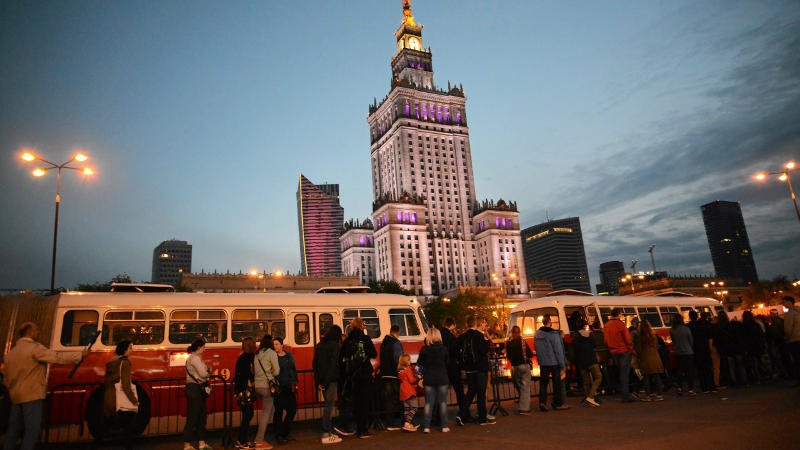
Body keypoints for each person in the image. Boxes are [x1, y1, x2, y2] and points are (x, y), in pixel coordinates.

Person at [3, 322, 85, 450]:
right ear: (29, 332)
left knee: (13, 430)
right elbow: (56, 357)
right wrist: (79, 355)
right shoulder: (34, 348)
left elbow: (6, 379)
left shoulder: (10, 354)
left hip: (15, 397)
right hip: (32, 395)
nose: (38, 332)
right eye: (36, 330)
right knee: (32, 430)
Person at [339, 318, 378, 439]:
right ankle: (363, 429)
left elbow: (342, 357)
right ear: (361, 326)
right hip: (365, 374)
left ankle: (356, 428)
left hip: (353, 376)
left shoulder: (348, 340)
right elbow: (373, 354)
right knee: (364, 403)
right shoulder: (365, 339)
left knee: (356, 402)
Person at [455, 316, 495, 426]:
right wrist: (487, 339)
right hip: (480, 368)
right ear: (476, 324)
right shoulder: (479, 336)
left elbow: (456, 350)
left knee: (470, 392)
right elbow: (484, 350)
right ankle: (482, 418)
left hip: (469, 369)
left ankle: (461, 414)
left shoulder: (462, 336)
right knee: (481, 393)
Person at [103, 340, 139, 441]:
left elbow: (107, 382)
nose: (132, 350)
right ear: (125, 350)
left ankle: (96, 443)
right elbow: (126, 385)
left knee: (108, 424)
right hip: (121, 400)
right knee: (128, 428)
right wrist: (134, 401)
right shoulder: (125, 362)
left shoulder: (111, 362)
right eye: (130, 348)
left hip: (109, 398)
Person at [313, 325, 343, 445]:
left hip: (322, 380)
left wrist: (319, 382)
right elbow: (333, 365)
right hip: (330, 380)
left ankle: (328, 431)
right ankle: (326, 433)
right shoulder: (335, 346)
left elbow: (315, 364)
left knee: (327, 405)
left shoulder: (319, 345)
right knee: (329, 407)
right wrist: (325, 382)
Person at [417, 327, 450, 432]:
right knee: (443, 403)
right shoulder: (444, 349)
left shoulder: (424, 349)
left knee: (428, 403)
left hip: (429, 378)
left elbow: (419, 365)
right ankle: (444, 426)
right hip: (442, 377)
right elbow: (447, 363)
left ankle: (426, 426)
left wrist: (418, 375)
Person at [534, 315, 569, 411]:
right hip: (554, 363)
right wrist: (562, 364)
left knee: (543, 384)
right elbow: (558, 351)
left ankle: (542, 402)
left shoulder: (537, 334)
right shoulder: (554, 334)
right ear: (549, 322)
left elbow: (536, 349)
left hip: (543, 363)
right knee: (556, 384)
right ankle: (556, 403)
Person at [183, 339, 213, 450]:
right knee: (194, 416)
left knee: (200, 416)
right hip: (195, 389)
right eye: (204, 347)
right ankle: (187, 444)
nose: (205, 349)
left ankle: (201, 443)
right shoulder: (195, 358)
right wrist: (209, 371)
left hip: (194, 389)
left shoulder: (194, 358)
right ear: (199, 347)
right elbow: (203, 373)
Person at [603, 308, 636, 402]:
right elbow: (628, 339)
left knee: (620, 373)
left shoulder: (607, 325)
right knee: (625, 374)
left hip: (614, 352)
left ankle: (623, 393)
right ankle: (626, 396)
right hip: (624, 351)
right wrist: (632, 350)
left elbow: (605, 341)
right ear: (619, 314)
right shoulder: (621, 325)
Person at [253, 335, 279, 450]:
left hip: (257, 385)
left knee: (271, 409)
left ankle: (261, 436)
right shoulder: (271, 353)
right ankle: (258, 441)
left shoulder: (257, 353)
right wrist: (271, 373)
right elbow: (277, 371)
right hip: (267, 386)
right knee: (266, 413)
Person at [378, 324, 404, 431]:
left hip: (384, 374)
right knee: (398, 398)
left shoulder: (384, 342)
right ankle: (402, 422)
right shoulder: (396, 343)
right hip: (394, 374)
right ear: (397, 332)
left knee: (388, 399)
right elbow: (399, 359)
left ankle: (389, 423)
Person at [272, 337, 297, 444]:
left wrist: (295, 382)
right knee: (278, 411)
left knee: (292, 410)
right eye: (274, 344)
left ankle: (284, 432)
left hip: (289, 386)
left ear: (282, 345)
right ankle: (279, 435)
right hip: (278, 388)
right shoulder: (273, 357)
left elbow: (293, 368)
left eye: (277, 344)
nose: (275, 346)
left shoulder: (289, 355)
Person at [572, 320, 602, 407]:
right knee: (598, 377)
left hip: (581, 361)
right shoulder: (589, 334)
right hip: (591, 359)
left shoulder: (575, 336)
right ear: (584, 326)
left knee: (586, 381)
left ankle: (590, 401)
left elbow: (575, 348)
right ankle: (591, 397)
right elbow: (594, 345)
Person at [234, 337, 257, 449]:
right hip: (245, 390)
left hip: (240, 390)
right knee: (248, 414)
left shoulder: (241, 357)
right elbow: (249, 374)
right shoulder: (249, 358)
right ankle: (242, 441)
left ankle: (242, 440)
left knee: (247, 415)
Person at [714, 312, 746, 387]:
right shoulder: (732, 325)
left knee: (730, 367)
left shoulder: (718, 327)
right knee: (740, 366)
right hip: (736, 348)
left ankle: (733, 381)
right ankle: (743, 380)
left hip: (726, 350)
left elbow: (718, 340)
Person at [506, 325, 533, 414]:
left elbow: (508, 356)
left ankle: (522, 400)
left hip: (514, 367)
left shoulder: (509, 343)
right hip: (524, 365)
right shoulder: (522, 342)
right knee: (525, 387)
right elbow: (530, 354)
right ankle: (524, 408)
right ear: (519, 332)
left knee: (519, 385)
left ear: (512, 333)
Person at [439, 317, 464, 413]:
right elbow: (455, 351)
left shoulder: (439, 334)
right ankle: (463, 412)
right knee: (459, 390)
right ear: (452, 325)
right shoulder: (451, 336)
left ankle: (438, 415)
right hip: (452, 366)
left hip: (442, 367)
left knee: (442, 393)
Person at [637, 321, 665, 401]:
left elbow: (639, 349)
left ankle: (648, 395)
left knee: (646, 377)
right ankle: (659, 395)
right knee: (657, 376)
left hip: (645, 358)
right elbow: (656, 346)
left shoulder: (641, 337)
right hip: (655, 357)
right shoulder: (653, 336)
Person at [688, 311, 716, 393]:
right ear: (697, 316)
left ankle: (704, 388)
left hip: (696, 350)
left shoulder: (689, 326)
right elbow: (709, 337)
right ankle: (712, 387)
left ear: (690, 317)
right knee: (708, 369)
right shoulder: (703, 325)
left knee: (700, 370)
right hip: (705, 348)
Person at [670, 314, 696, 396]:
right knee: (689, 371)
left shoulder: (672, 330)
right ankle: (690, 389)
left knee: (679, 371)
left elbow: (673, 341)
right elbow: (691, 341)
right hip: (688, 352)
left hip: (678, 352)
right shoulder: (686, 329)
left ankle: (679, 388)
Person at [741, 311, 766, 384]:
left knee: (753, 363)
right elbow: (761, 334)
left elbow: (743, 338)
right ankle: (766, 374)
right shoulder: (755, 324)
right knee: (760, 361)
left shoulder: (743, 326)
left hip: (750, 347)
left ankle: (757, 378)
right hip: (758, 345)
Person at [397, 354, 420, 432]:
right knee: (414, 408)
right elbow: (412, 380)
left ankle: (407, 424)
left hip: (403, 391)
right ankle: (407, 423)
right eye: (409, 360)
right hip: (409, 391)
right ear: (406, 361)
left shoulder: (400, 371)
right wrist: (418, 377)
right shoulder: (407, 370)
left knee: (407, 409)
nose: (410, 361)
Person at [782, 296, 800, 387]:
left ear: (789, 302)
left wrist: (787, 338)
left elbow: (788, 329)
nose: (783, 304)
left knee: (797, 360)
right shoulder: (798, 311)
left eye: (784, 302)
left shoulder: (790, 313)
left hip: (795, 339)